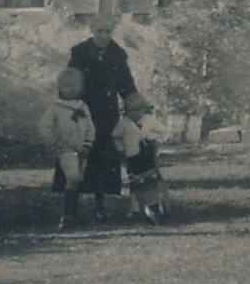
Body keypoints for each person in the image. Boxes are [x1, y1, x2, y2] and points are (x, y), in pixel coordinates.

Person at [68, 13, 138, 218]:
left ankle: (100, 203)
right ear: (92, 31)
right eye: (100, 31)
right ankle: (71, 206)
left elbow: (127, 85)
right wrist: (69, 105)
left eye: (108, 31)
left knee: (103, 155)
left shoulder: (117, 54)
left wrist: (134, 106)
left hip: (107, 110)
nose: (104, 35)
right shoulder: (80, 52)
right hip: (84, 108)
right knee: (78, 153)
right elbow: (69, 80)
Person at [37, 67, 95, 230]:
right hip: (66, 149)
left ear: (81, 87)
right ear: (60, 87)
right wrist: (54, 143)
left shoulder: (83, 106)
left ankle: (72, 214)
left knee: (77, 180)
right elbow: (44, 126)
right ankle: (67, 215)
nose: (71, 89)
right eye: (67, 85)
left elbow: (90, 127)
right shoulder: (56, 106)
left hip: (82, 148)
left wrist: (88, 144)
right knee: (73, 177)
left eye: (75, 85)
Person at [115, 92, 167, 225]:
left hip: (147, 154)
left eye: (139, 110)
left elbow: (163, 130)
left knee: (150, 179)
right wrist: (121, 150)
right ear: (126, 111)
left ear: (144, 109)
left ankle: (155, 205)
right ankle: (136, 208)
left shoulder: (148, 120)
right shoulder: (123, 124)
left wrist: (156, 140)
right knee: (135, 182)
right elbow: (116, 137)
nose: (136, 114)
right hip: (132, 156)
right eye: (132, 111)